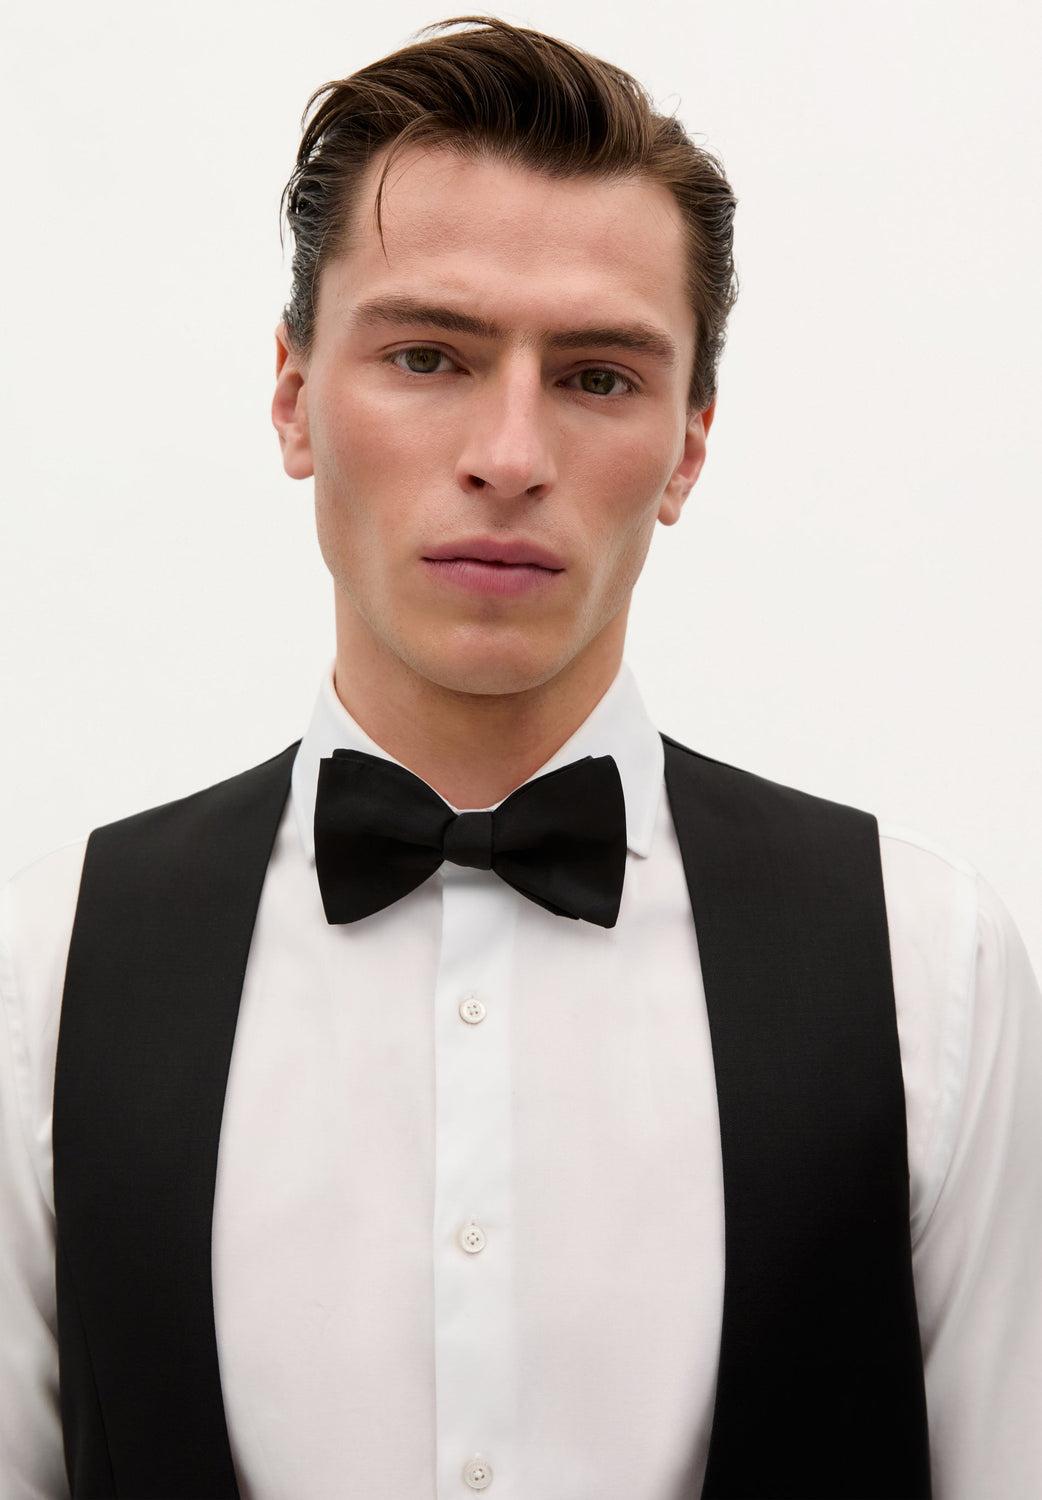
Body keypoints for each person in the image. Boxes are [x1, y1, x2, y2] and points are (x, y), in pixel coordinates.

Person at [1, 15, 1039, 1500]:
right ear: (293, 397)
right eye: (427, 354)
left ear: (689, 443)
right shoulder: (44, 966)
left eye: (598, 377)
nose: (509, 454)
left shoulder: (932, 965)